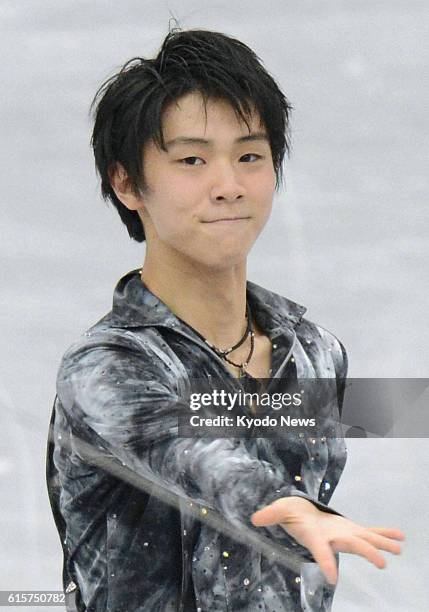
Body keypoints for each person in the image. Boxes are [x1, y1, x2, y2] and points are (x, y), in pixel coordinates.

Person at [46, 27, 405, 612]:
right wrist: (283, 503)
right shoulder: (105, 370)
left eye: (249, 157)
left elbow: (387, 409)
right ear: (127, 182)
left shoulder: (315, 353)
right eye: (192, 159)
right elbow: (189, 446)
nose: (229, 186)